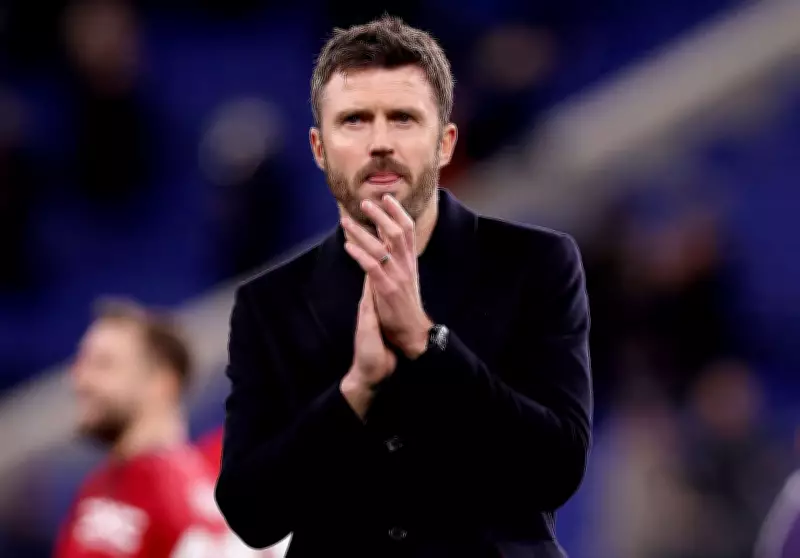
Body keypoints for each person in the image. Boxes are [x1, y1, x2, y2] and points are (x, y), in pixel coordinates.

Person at [215, 15, 593, 558]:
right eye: (354, 121)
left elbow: (556, 468)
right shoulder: (269, 304)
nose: (380, 143)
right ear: (319, 148)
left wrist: (426, 342)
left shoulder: (535, 264)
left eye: (403, 118)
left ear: (445, 143)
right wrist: (355, 392)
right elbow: (252, 514)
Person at [56, 299, 256, 558]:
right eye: (81, 364)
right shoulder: (100, 486)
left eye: (103, 364)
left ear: (161, 383)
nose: (80, 380)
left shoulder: (172, 496)